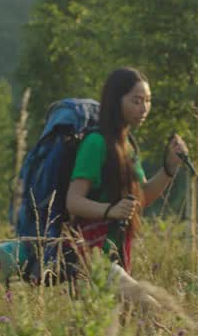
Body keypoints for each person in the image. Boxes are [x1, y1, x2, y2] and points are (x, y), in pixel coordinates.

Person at [65, 67, 187, 274]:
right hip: (91, 254)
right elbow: (73, 202)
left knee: (141, 304)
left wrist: (170, 167)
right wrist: (110, 211)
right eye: (136, 101)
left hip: (114, 252)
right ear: (116, 101)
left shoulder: (127, 146)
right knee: (148, 302)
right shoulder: (96, 143)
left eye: (148, 101)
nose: (144, 108)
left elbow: (142, 198)